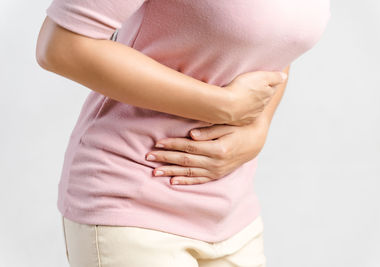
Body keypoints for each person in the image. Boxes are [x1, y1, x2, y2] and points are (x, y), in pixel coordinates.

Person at [36, 0, 331, 266]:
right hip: (134, 197)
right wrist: (222, 105)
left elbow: (278, 42)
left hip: (234, 211)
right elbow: (61, 46)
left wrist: (259, 127)